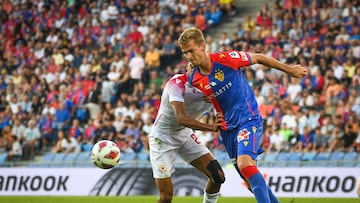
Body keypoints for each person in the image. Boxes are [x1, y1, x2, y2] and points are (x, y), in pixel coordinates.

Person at [178, 27, 308, 203]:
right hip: (227, 129)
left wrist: (289, 69)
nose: (188, 56)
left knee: (245, 164)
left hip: (248, 118)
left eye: (191, 51)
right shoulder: (193, 78)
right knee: (249, 179)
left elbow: (259, 57)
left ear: (202, 45)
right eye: (185, 53)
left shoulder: (226, 59)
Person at [149, 64, 225, 203]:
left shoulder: (214, 89)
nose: (192, 71)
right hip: (162, 138)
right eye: (190, 67)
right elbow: (181, 118)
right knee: (166, 197)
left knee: (218, 176)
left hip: (184, 134)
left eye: (197, 68)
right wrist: (212, 127)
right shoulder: (176, 83)